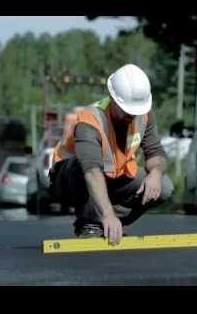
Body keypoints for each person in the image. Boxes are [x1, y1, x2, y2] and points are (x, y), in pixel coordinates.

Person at [50, 64, 173, 244]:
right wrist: (107, 213)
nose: (133, 115)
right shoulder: (90, 120)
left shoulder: (143, 114)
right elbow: (91, 170)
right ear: (113, 99)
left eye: (136, 111)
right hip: (71, 180)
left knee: (165, 186)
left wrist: (155, 174)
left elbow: (156, 152)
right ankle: (91, 223)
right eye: (128, 111)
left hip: (113, 178)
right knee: (83, 165)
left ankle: (109, 223)